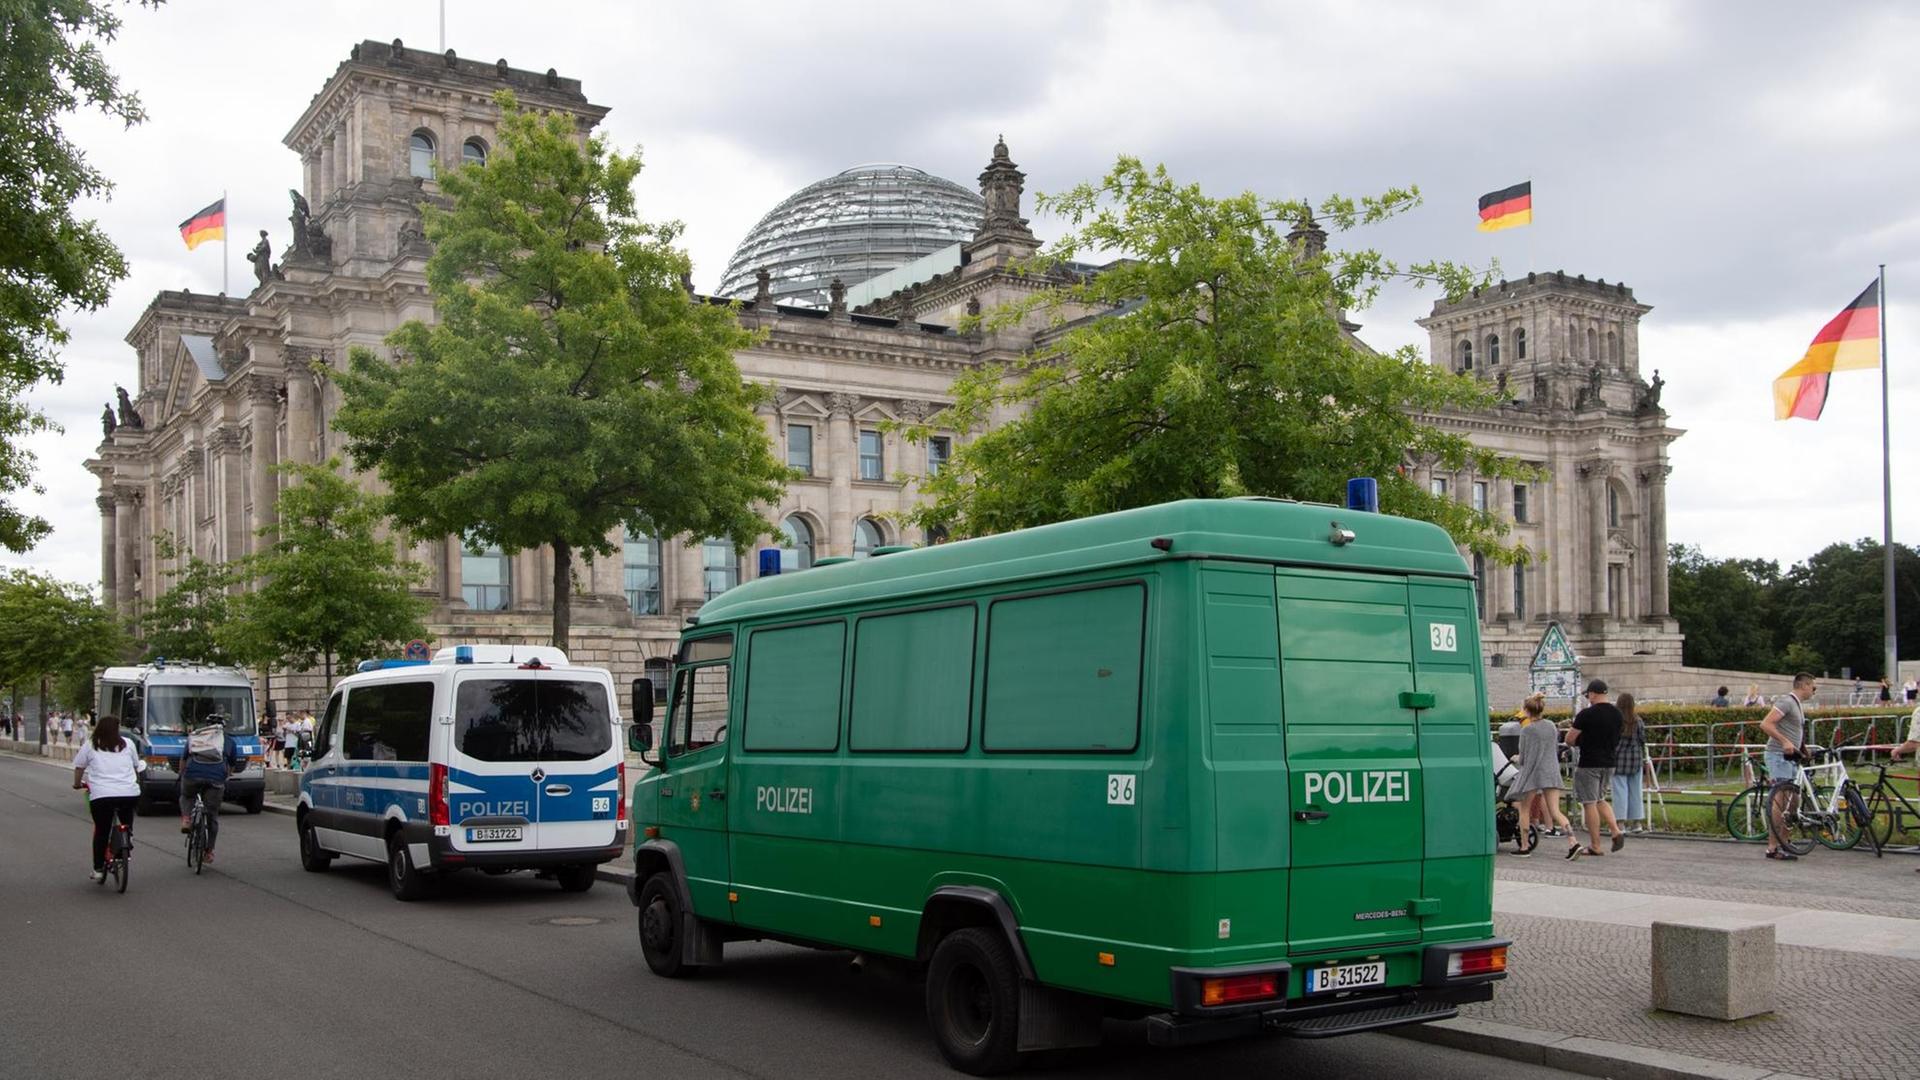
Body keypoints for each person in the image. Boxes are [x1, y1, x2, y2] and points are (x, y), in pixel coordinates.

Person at [72, 715, 146, 882]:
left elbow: (79, 767)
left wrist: (77, 784)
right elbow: (136, 766)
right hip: (129, 793)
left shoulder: (90, 745)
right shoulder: (128, 743)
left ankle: (98, 868)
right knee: (126, 820)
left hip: (102, 795)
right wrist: (132, 781)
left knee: (101, 831)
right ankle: (128, 836)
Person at [1564, 679, 1625, 859]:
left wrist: (1581, 739)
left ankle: (1596, 845)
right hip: (1609, 762)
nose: (1588, 698)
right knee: (1600, 798)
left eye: (1588, 695)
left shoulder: (1586, 714)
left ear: (1593, 693)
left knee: (1589, 802)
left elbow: (1569, 739)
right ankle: (1615, 830)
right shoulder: (1617, 714)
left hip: (1589, 762)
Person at [1510, 695, 1577, 857]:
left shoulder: (1526, 730)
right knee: (1555, 811)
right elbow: (1553, 748)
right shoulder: (1551, 726)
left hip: (1533, 773)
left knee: (1524, 810)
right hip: (1551, 771)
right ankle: (1573, 842)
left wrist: (1515, 758)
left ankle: (1524, 846)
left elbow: (1524, 758)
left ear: (1527, 710)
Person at [1759, 673, 1816, 862]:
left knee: (1793, 801)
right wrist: (1784, 742)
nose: (1813, 691)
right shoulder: (1787, 702)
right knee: (1781, 801)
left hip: (1791, 757)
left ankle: (1784, 841)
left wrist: (1804, 750)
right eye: (1813, 687)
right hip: (1779, 755)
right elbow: (1766, 724)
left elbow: (1794, 730)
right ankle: (1773, 847)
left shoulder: (1797, 705)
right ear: (1804, 685)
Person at [178, 717, 240, 864]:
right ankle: (209, 852)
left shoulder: (196, 735)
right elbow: (232, 763)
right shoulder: (229, 741)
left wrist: (182, 773)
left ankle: (186, 819)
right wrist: (226, 775)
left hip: (193, 774)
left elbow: (184, 757)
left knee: (186, 795)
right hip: (216, 777)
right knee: (212, 815)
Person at [1611, 693, 1651, 833]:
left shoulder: (1615, 721)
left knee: (1619, 792)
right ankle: (1637, 823)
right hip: (1635, 760)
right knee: (1636, 791)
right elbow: (1642, 739)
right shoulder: (1638, 720)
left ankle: (1620, 824)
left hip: (1618, 760)